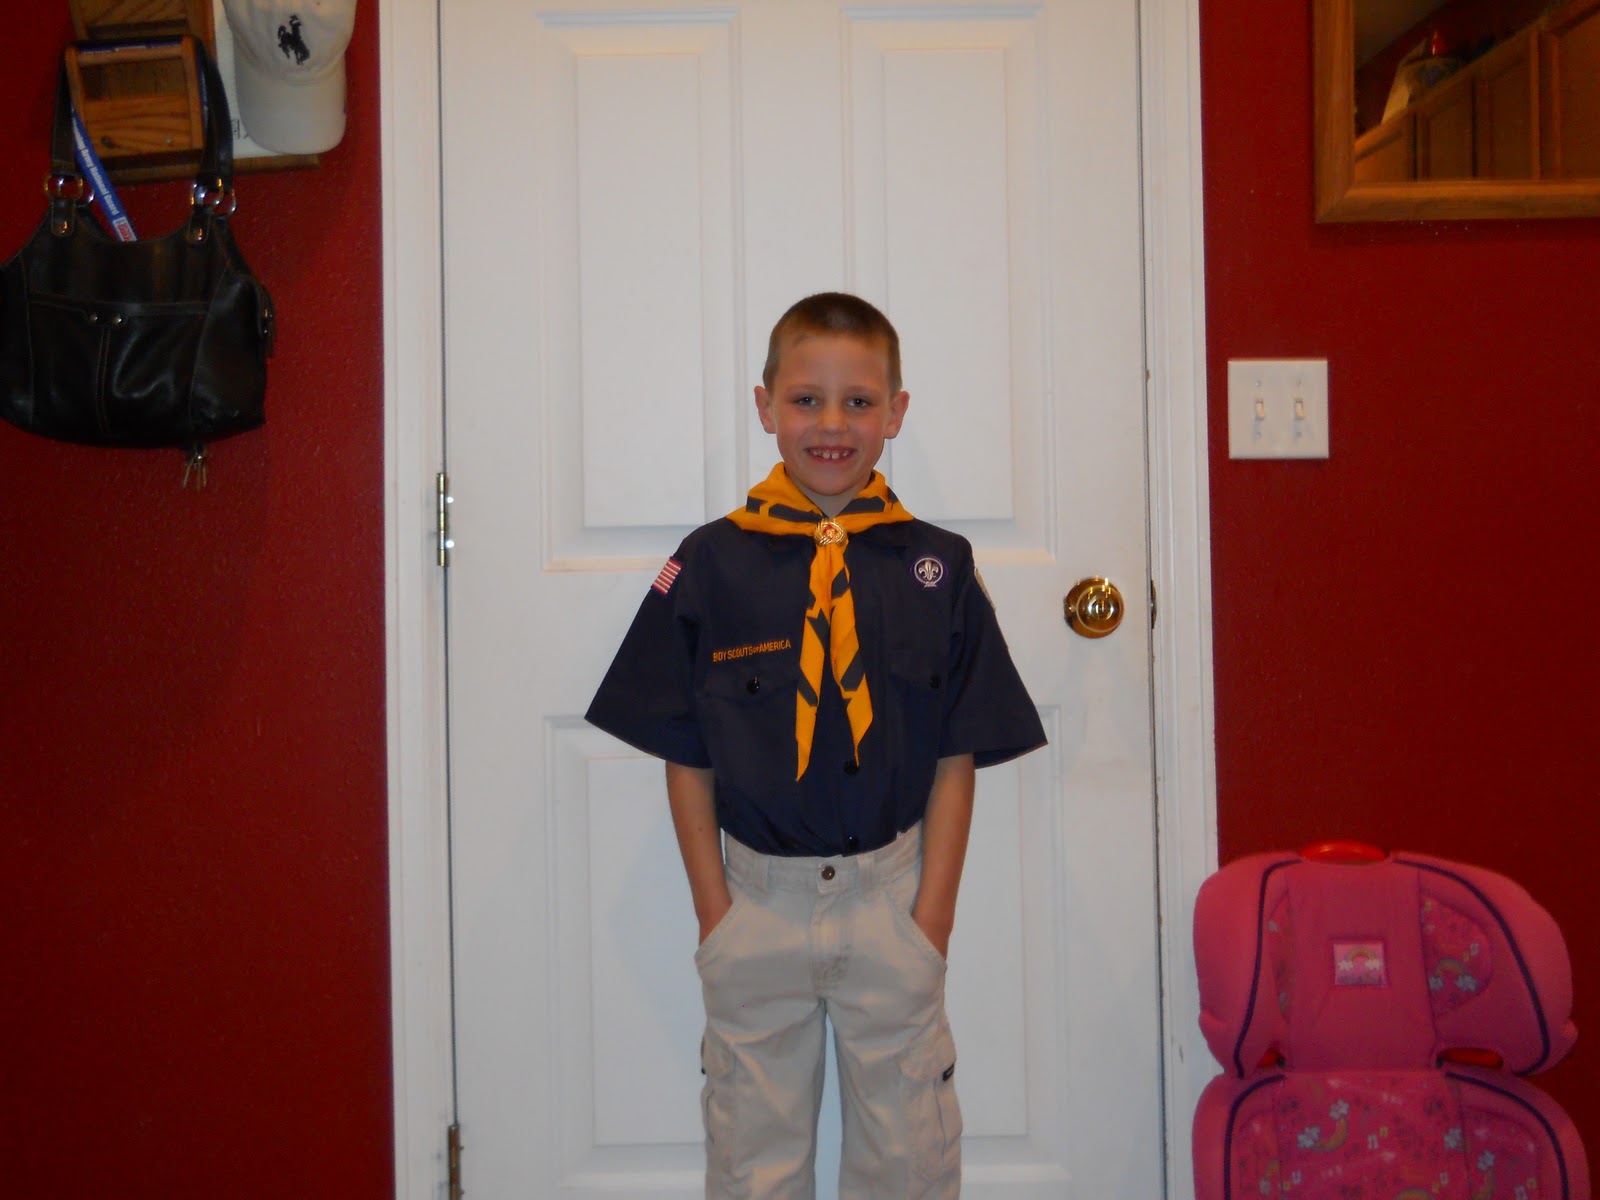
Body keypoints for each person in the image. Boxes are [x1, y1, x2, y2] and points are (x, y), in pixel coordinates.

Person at [585, 292, 1046, 1199]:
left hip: (892, 899)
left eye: (859, 402)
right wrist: (715, 913)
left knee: (909, 1162)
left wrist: (932, 919)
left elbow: (956, 756)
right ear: (765, 407)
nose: (832, 425)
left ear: (895, 413)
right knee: (751, 1164)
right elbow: (686, 751)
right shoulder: (711, 564)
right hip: (757, 902)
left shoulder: (939, 569)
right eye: (806, 400)